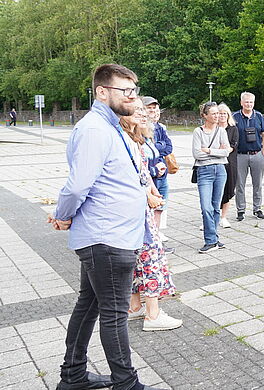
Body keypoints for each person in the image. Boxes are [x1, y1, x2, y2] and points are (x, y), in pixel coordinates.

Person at [47, 63, 163, 390]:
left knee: (89, 306)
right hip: (107, 238)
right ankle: (127, 383)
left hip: (113, 235)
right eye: (125, 90)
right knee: (114, 314)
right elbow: (77, 185)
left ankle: (72, 376)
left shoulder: (108, 126)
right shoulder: (95, 129)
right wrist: (63, 214)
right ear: (101, 92)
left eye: (134, 89)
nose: (132, 96)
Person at [120, 100, 182, 332]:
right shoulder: (124, 140)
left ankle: (135, 306)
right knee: (150, 257)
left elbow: (142, 172)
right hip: (137, 212)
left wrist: (151, 188)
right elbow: (129, 176)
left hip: (139, 210)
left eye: (145, 112)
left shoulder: (135, 139)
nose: (144, 115)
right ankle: (153, 315)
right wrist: (148, 194)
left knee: (140, 258)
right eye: (138, 112)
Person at [193, 102, 231, 254]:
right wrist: (218, 151)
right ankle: (211, 239)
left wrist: (208, 150)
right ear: (205, 116)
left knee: (216, 207)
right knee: (206, 207)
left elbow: (227, 151)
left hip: (220, 170)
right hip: (204, 171)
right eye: (214, 113)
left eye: (218, 113)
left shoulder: (222, 131)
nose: (217, 116)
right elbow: (197, 154)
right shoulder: (198, 132)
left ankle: (212, 239)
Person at [233, 92, 264, 221]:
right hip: (240, 155)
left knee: (257, 183)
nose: (249, 104)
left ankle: (257, 208)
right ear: (241, 103)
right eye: (246, 102)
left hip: (257, 154)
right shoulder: (234, 117)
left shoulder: (258, 116)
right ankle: (241, 210)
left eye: (251, 102)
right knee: (240, 184)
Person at [143, 96, 173, 242]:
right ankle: (150, 239)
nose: (153, 110)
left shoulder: (160, 127)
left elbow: (168, 147)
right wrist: (159, 146)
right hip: (150, 175)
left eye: (155, 107)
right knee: (149, 209)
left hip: (162, 173)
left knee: (161, 206)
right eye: (149, 107)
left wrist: (157, 146)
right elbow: (144, 153)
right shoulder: (141, 129)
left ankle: (156, 236)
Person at [218, 103, 239, 228]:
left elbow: (233, 145)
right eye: (220, 113)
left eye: (224, 113)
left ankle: (223, 217)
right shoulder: (213, 129)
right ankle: (212, 218)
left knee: (228, 189)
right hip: (215, 162)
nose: (222, 116)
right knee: (214, 191)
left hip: (230, 163)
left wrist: (223, 150)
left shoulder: (233, 129)